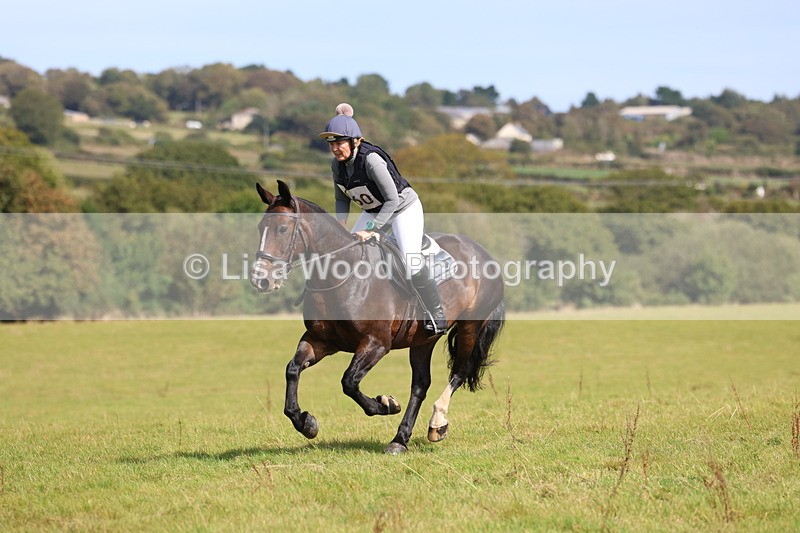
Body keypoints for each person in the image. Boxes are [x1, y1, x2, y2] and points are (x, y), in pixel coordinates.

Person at [318, 103, 447, 334]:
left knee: (410, 260)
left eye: (339, 143)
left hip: (402, 209)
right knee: (347, 253)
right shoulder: (337, 165)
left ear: (355, 141)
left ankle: (436, 313)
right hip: (374, 210)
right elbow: (341, 199)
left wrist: (372, 229)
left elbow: (392, 200)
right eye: (332, 144)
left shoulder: (371, 160)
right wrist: (340, 226)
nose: (335, 149)